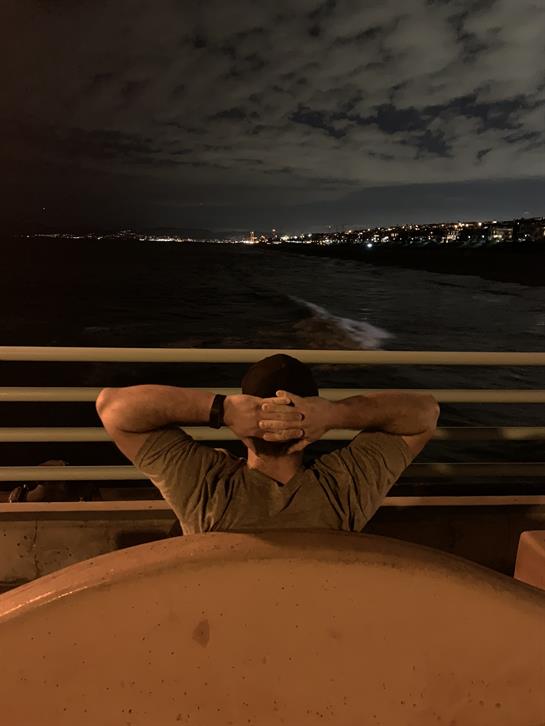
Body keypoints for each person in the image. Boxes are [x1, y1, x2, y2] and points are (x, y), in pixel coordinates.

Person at [96, 354, 439, 534]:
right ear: (310, 429)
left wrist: (221, 409)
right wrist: (336, 414)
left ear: (243, 431)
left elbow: (113, 408)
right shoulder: (346, 486)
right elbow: (425, 412)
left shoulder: (204, 487)